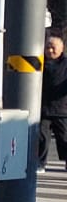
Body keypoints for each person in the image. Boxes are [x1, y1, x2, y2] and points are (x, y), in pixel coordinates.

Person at [44, 33, 67, 172]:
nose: (50, 50)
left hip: (62, 109)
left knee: (64, 137)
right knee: (41, 137)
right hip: (43, 108)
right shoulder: (39, 62)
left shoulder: (65, 64)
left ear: (61, 49)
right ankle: (40, 163)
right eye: (48, 47)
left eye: (53, 47)